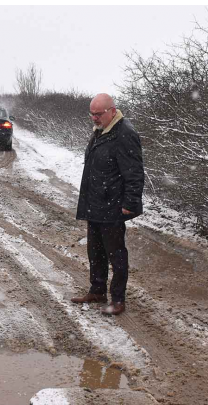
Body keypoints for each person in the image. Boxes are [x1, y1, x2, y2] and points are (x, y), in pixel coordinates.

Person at [71, 93, 144, 315]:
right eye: (91, 114)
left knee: (116, 255)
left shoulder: (124, 134)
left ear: (112, 110)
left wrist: (130, 203)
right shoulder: (101, 132)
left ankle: (118, 299)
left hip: (112, 207)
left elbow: (134, 173)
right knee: (95, 252)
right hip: (96, 204)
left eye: (98, 114)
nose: (94, 118)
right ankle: (98, 290)